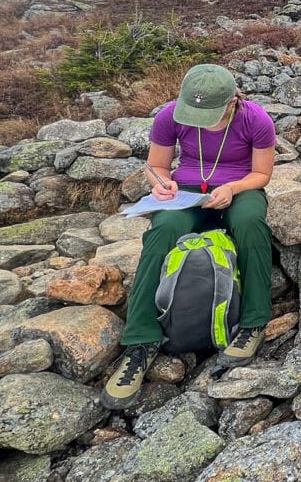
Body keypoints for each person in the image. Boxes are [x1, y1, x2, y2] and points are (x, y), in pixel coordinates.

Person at [102, 64, 276, 410]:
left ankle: (254, 322)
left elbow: (262, 174)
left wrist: (233, 188)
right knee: (163, 229)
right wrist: (161, 184)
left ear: (232, 102)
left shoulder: (256, 119)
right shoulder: (169, 116)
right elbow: (157, 166)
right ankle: (141, 340)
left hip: (238, 188)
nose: (198, 121)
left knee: (250, 223)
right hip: (186, 192)